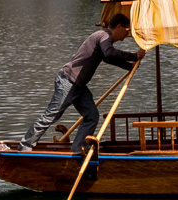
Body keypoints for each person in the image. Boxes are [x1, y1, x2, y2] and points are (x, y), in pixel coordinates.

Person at [21, 14, 145, 153]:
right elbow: (109, 54)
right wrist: (133, 55)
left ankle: (78, 150)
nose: (126, 35)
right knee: (51, 115)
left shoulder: (103, 39)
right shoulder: (104, 35)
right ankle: (24, 147)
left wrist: (129, 66)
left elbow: (107, 58)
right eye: (126, 30)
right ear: (119, 26)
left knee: (92, 116)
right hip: (68, 81)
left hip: (78, 86)